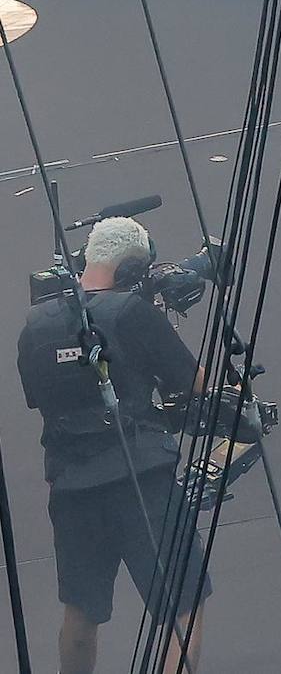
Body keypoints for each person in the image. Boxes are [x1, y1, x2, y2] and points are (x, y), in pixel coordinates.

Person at [18, 217, 208, 673]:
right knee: (184, 604)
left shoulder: (36, 322)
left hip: (70, 488)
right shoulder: (133, 313)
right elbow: (197, 384)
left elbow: (35, 398)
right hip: (139, 480)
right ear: (132, 271)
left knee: (81, 611)